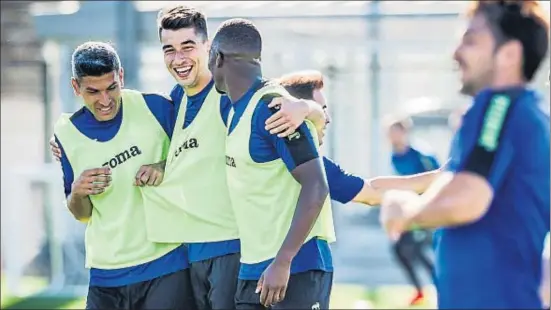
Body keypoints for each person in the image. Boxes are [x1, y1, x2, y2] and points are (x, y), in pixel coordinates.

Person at [50, 6, 326, 310]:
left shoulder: (229, 94)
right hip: (191, 254)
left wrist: (309, 110)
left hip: (233, 249)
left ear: (209, 48)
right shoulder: (175, 102)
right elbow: (186, 154)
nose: (178, 58)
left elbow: (272, 98)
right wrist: (161, 165)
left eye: (188, 47)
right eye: (169, 49)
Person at [380, 1, 550, 309]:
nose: (456, 52)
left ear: (509, 54)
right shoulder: (528, 117)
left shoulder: (499, 106)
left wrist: (405, 211)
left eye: (470, 40)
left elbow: (467, 198)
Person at [53, 41, 194, 309]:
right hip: (106, 274)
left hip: (165, 264)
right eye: (93, 92)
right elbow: (82, 213)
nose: (105, 101)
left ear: (121, 76)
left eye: (111, 88)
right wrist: (79, 192)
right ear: (75, 87)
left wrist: (164, 166)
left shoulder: (156, 108)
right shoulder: (66, 135)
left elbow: (198, 154)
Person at [210, 18, 334, 309]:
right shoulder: (234, 109)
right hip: (254, 270)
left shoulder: (274, 108)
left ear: (218, 58)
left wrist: (283, 260)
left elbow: (316, 185)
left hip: (294, 268)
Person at [385, 117, 438, 306]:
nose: (390, 137)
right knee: (404, 250)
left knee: (418, 250)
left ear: (404, 132)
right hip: (406, 213)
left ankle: (439, 288)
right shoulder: (394, 156)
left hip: (426, 211)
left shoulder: (421, 155)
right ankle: (423, 290)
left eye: (394, 132)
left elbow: (438, 179)